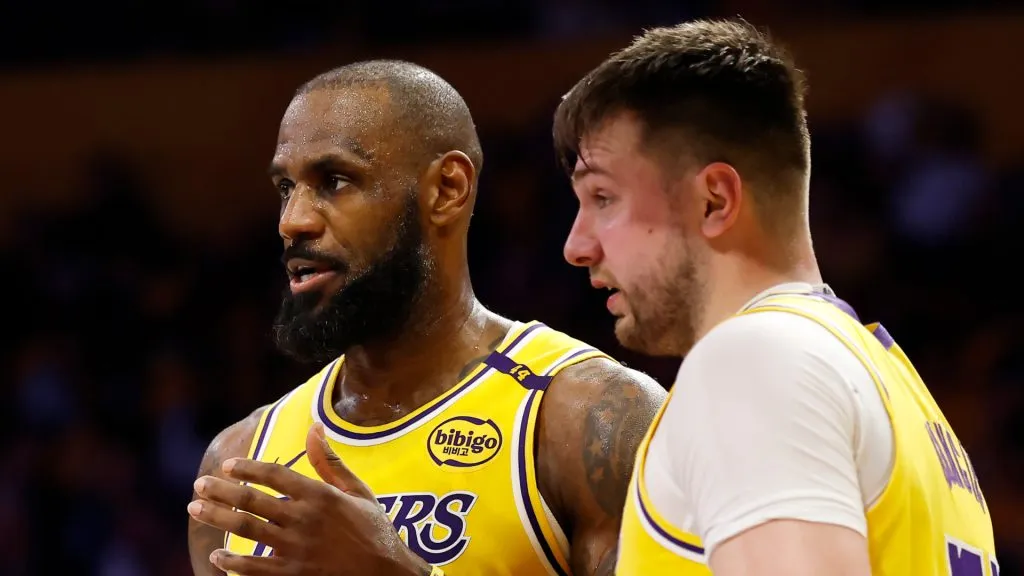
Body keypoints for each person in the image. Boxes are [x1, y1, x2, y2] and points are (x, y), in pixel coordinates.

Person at [185, 60, 665, 576]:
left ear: (447, 189)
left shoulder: (587, 419)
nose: (292, 220)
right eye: (286, 187)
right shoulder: (238, 460)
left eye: (335, 180)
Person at [553, 18, 997, 576]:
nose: (577, 245)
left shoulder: (752, 361)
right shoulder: (885, 378)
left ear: (714, 200)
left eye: (603, 197)